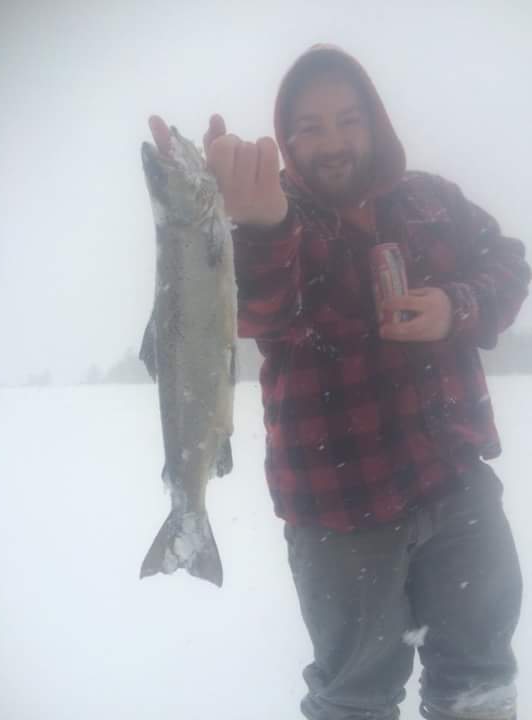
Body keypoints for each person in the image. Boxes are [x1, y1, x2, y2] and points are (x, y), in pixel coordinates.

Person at [149, 45, 530, 720]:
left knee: (479, 675)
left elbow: (507, 261)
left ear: (375, 122)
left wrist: (455, 306)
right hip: (340, 513)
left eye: (348, 120)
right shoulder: (277, 221)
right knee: (355, 697)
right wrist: (264, 224)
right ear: (287, 139)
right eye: (311, 126)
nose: (333, 141)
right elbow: (259, 306)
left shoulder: (430, 200)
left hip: (457, 482)